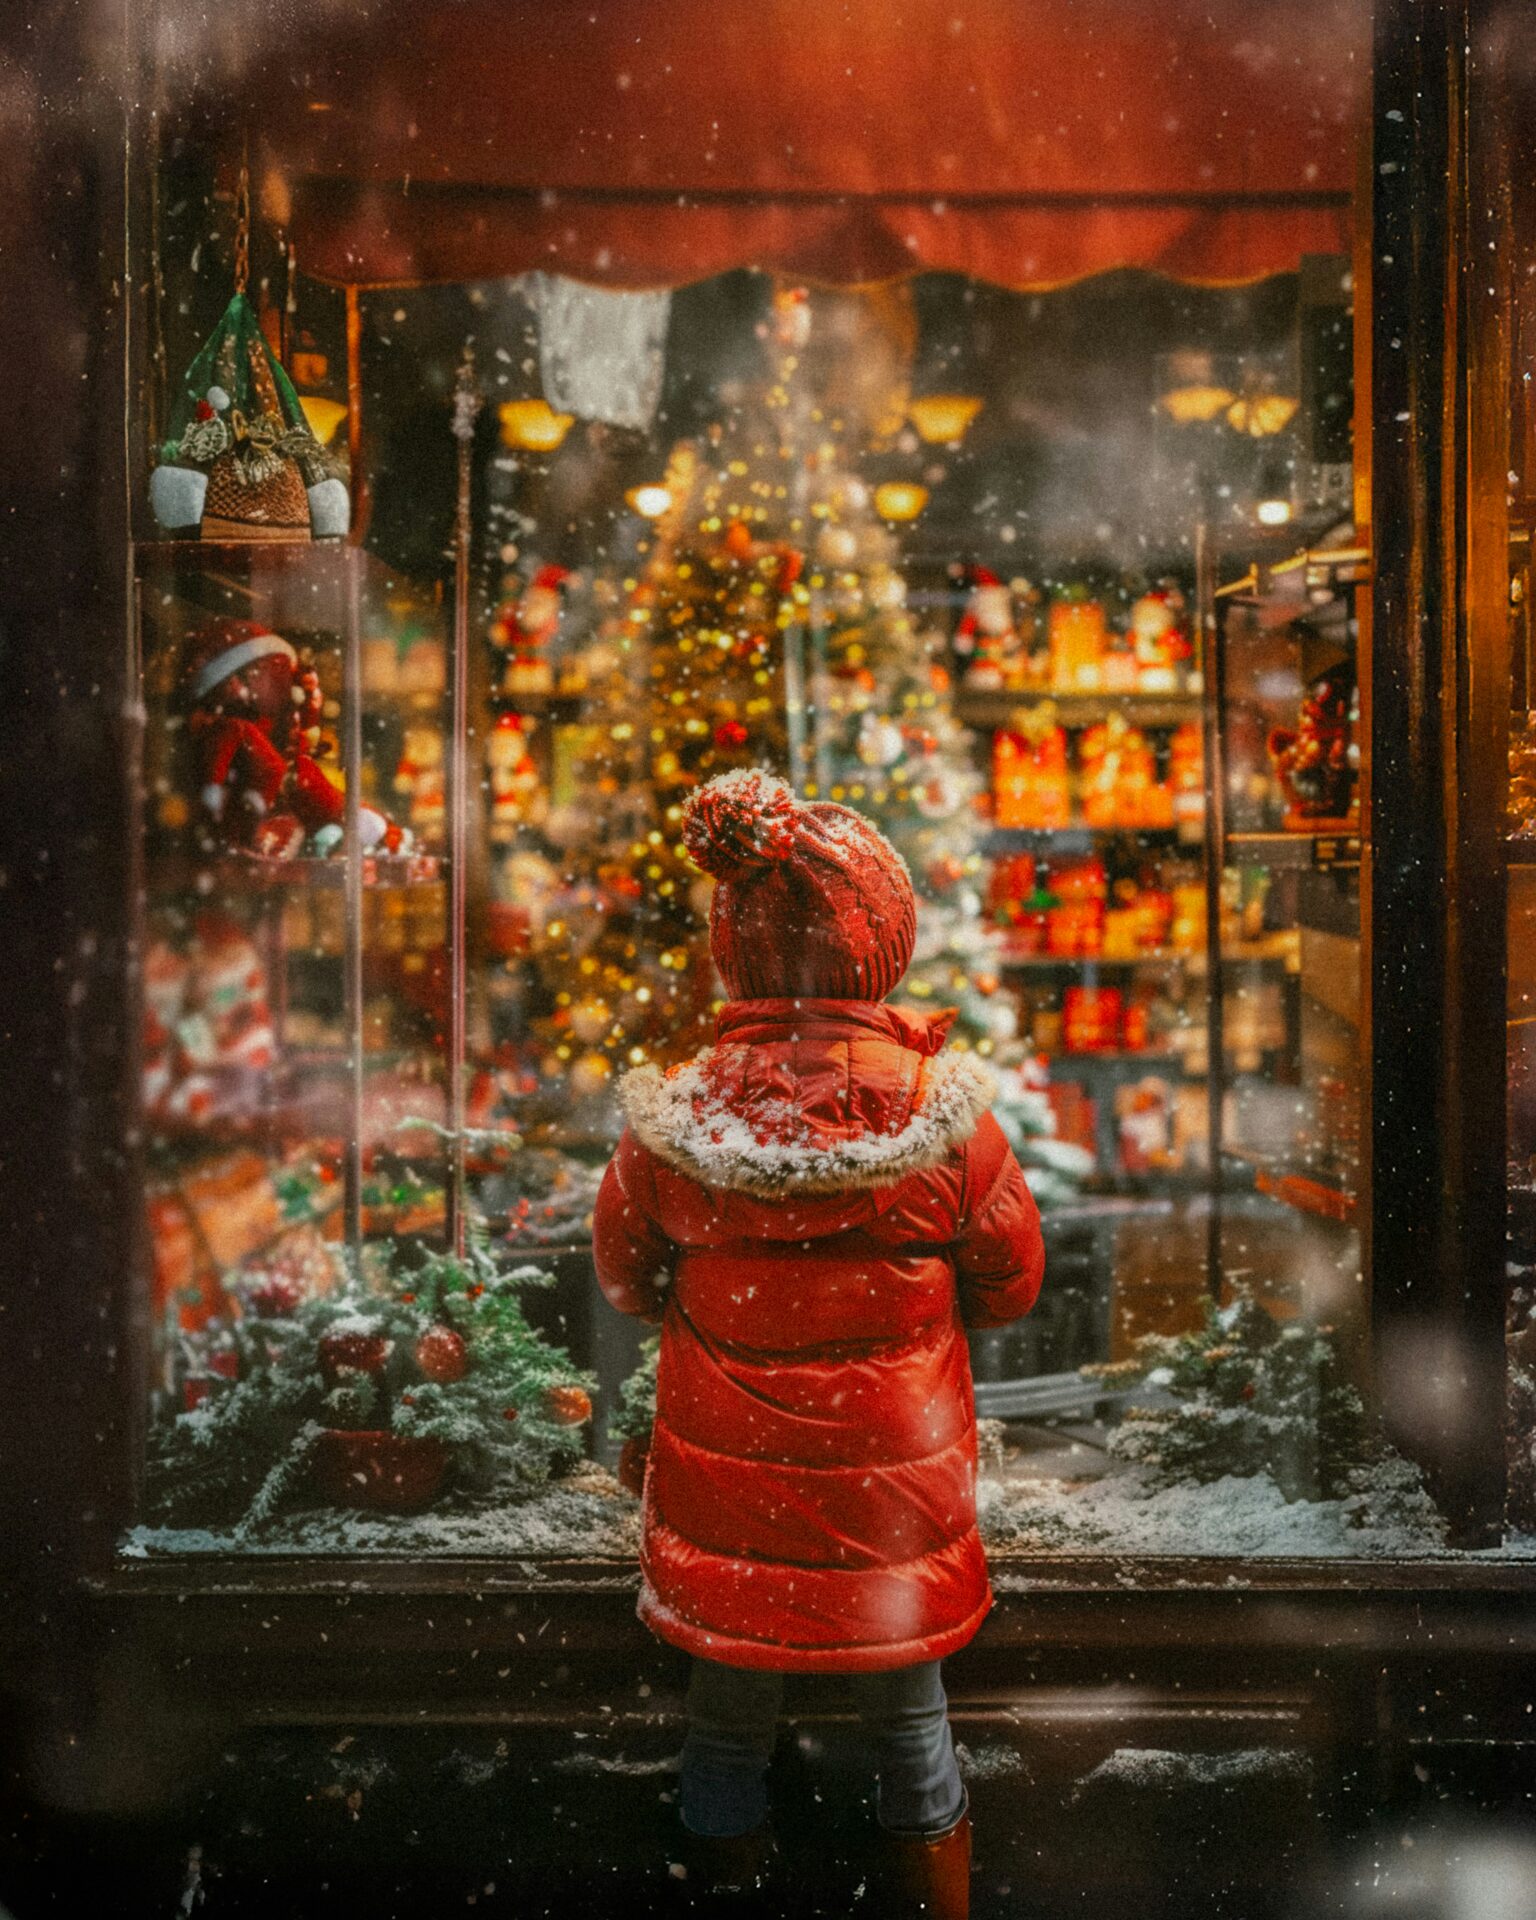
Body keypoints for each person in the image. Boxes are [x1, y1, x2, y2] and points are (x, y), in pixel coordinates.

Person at [593, 769, 1044, 1917]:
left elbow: (625, 1277)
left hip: (726, 1503)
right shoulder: (947, 1122)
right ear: (885, 942)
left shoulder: (679, 1120)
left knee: (725, 1725)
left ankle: (722, 1889)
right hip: (894, 1503)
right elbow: (1012, 1281)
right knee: (913, 1724)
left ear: (731, 946)